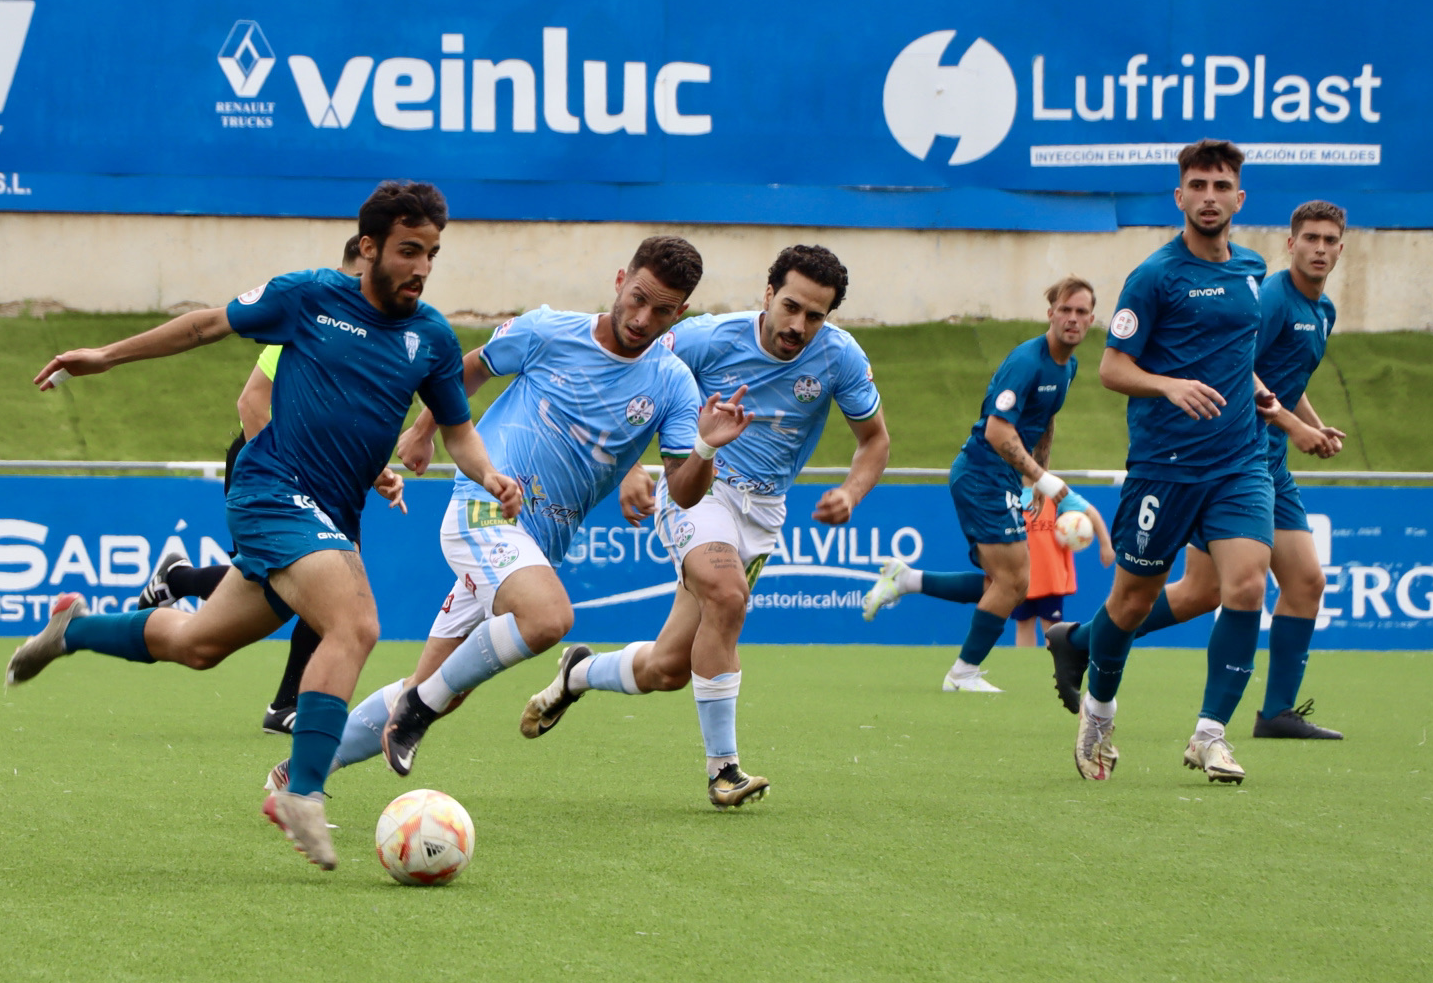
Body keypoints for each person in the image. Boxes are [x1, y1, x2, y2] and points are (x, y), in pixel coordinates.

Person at [8, 180, 523, 871]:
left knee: (196, 643)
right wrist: (105, 355)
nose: (422, 267)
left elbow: (457, 431)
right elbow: (203, 325)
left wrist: (488, 474)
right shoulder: (309, 296)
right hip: (271, 488)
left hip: (329, 511)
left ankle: (71, 630)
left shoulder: (429, 337)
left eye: (432, 253)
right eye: (408, 251)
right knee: (356, 623)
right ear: (368, 248)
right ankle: (302, 790)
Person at [321, 237, 746, 786]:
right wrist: (425, 431)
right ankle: (419, 711)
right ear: (620, 280)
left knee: (431, 685)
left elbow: (686, 493)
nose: (643, 318)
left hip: (536, 546)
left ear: (680, 312)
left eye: (662, 310)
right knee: (547, 619)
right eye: (638, 298)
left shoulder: (672, 383)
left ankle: (304, 770)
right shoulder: (549, 330)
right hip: (484, 510)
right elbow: (468, 369)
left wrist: (707, 448)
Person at [521, 245, 890, 808]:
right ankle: (725, 771)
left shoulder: (839, 358)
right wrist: (631, 468)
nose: (798, 325)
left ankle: (579, 673)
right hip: (700, 485)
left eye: (815, 316)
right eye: (790, 306)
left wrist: (852, 491)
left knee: (669, 667)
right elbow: (632, 381)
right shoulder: (708, 338)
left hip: (765, 513)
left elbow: (874, 441)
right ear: (767, 294)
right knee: (725, 591)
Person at [1061, 202, 1349, 741]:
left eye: (1329, 240)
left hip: (1264, 462)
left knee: (1300, 581)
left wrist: (1312, 423)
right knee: (1197, 592)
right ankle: (1082, 642)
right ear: (1290, 244)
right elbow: (1245, 368)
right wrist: (1292, 426)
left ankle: (1273, 714)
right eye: (1309, 237)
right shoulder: (1265, 294)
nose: (1319, 248)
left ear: (1340, 248)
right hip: (1224, 452)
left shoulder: (1322, 310)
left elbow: (1285, 377)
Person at [1043, 140, 1279, 786]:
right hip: (1166, 464)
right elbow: (1114, 367)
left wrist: (1255, 389)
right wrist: (1170, 385)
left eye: (1221, 185)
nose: (1209, 196)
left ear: (1239, 198)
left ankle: (1210, 735)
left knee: (1245, 586)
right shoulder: (1155, 276)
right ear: (1179, 197)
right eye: (1197, 185)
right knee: (1131, 599)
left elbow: (1233, 348)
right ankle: (1098, 707)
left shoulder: (1254, 268)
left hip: (1238, 460)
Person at [139, 231, 408, 737]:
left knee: (302, 590)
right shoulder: (313, 314)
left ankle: (181, 584)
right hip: (267, 464)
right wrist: (286, 477)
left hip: (319, 475)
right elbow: (251, 403)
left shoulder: (374, 336)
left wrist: (374, 472)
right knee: (288, 587)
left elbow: (334, 423)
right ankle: (284, 702)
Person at [858, 277, 1100, 691]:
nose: (1073, 319)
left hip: (1004, 478)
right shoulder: (1028, 362)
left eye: (1081, 312)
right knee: (1015, 582)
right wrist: (1043, 478)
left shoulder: (1068, 367)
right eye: (1066, 310)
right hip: (982, 474)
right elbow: (996, 431)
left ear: (1092, 319)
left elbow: (1043, 423)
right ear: (1051, 313)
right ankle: (962, 673)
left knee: (1003, 583)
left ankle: (907, 580)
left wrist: (1036, 481)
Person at [1009, 490, 1112, 647]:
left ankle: (1053, 668)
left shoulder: (1055, 491)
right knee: (1023, 624)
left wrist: (1105, 544)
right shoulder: (1012, 492)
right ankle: (1026, 667)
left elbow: (1090, 512)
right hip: (1020, 575)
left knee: (1052, 627)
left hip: (1050, 577)